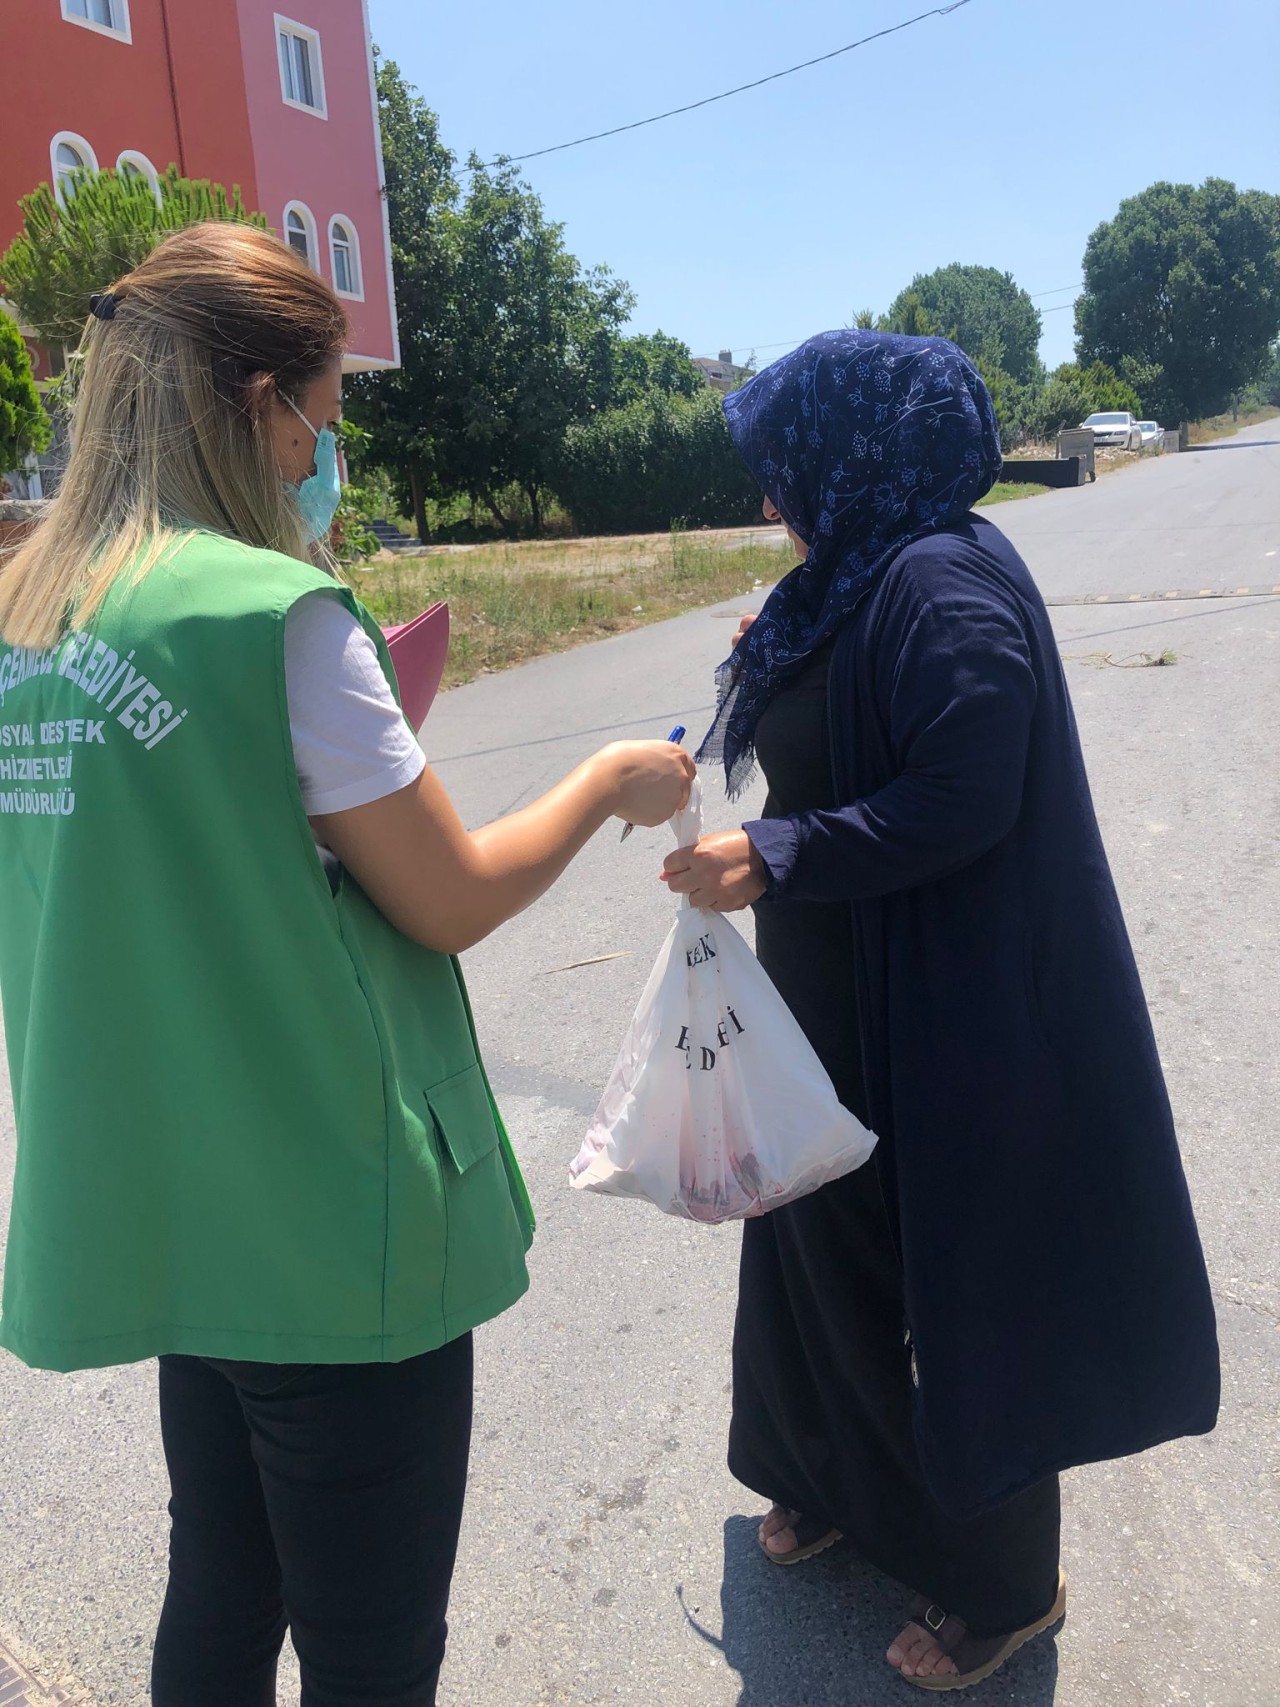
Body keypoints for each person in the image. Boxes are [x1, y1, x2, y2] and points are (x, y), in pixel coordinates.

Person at [0, 221, 693, 1707]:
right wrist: (604, 781)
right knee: (373, 1644)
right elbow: (448, 896)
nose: (328, 453)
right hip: (320, 1214)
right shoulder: (280, 617)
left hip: (169, 1213)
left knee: (223, 1585)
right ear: (257, 404)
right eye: (323, 416)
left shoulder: (28, 618)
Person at [661, 330, 1219, 1691]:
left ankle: (1005, 1585)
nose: (775, 494)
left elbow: (966, 795)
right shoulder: (856, 574)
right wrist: (780, 660)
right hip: (841, 994)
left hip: (949, 1006)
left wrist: (775, 853)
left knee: (955, 1285)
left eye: (788, 464)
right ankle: (842, 1484)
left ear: (862, 452)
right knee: (825, 1248)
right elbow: (838, 705)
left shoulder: (941, 575)